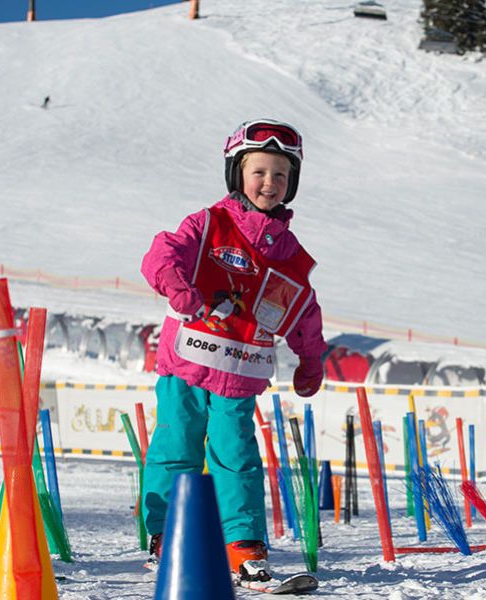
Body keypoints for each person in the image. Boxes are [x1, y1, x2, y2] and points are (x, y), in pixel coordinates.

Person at [140, 119, 326, 581]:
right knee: (175, 446)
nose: (270, 183)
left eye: (281, 175)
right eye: (259, 171)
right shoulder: (207, 224)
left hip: (240, 371)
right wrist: (177, 286)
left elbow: (304, 309)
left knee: (236, 456)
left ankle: (242, 546)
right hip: (185, 364)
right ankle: (169, 535)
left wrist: (310, 360)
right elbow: (163, 253)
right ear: (237, 174)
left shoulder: (289, 254)